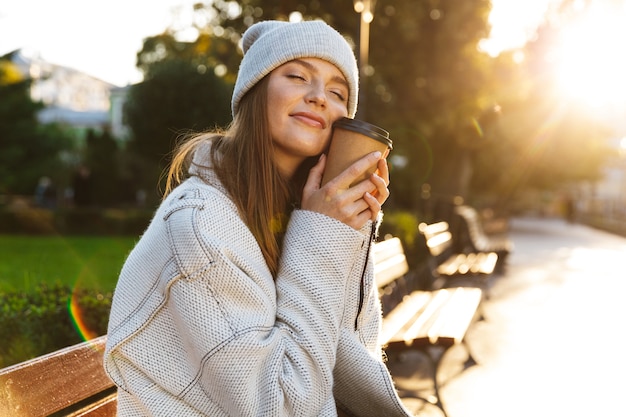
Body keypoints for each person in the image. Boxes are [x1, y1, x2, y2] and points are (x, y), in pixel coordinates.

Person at [103, 20, 413, 417]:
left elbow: (353, 348)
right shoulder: (199, 225)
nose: (319, 97)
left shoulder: (302, 214)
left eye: (337, 91)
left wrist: (350, 233)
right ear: (255, 90)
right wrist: (323, 235)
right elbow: (283, 406)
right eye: (298, 76)